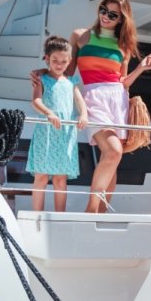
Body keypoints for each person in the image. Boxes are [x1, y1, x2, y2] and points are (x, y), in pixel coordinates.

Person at [68, 0, 151, 213]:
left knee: (112, 161)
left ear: (121, 19)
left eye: (112, 14)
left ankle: (101, 214)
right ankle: (91, 209)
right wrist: (45, 74)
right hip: (92, 97)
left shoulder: (123, 46)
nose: (106, 16)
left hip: (117, 100)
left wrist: (141, 68)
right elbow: (68, 72)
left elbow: (123, 83)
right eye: (103, 10)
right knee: (113, 152)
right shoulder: (80, 36)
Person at [27, 36, 88, 211]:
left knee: (60, 178)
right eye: (55, 60)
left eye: (63, 61)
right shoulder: (42, 79)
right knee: (41, 176)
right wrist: (49, 113)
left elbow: (79, 101)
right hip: (46, 132)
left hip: (65, 133)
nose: (59, 64)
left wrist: (83, 114)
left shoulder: (71, 81)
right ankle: (36, 214)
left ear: (69, 61)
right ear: (47, 59)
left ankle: (59, 215)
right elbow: (36, 101)